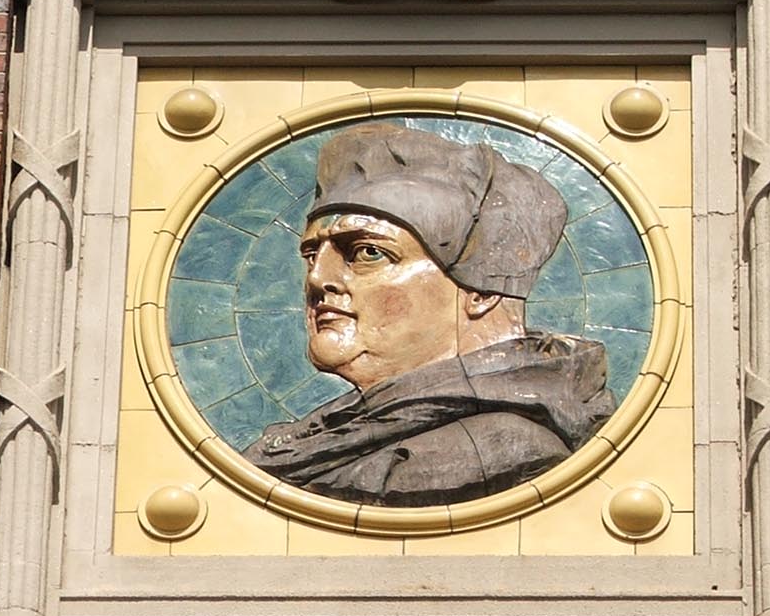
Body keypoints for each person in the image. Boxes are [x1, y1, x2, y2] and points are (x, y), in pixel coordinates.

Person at [240, 122, 615, 505]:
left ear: (483, 288)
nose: (318, 278)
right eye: (311, 256)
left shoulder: (496, 451)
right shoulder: (333, 436)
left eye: (368, 253)